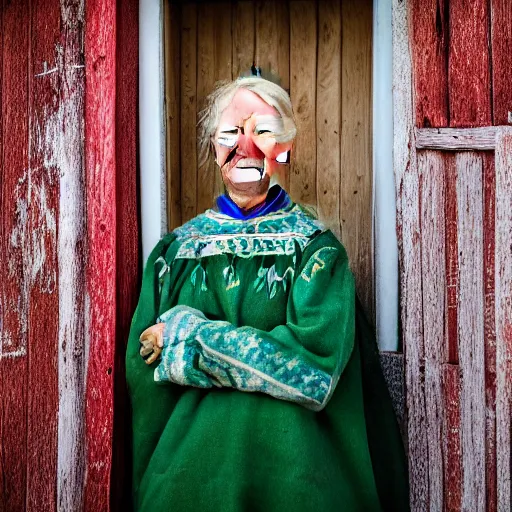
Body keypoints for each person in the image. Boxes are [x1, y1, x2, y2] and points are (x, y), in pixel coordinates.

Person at [126, 75, 408, 511]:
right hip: (191, 483)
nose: (246, 146)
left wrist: (192, 339)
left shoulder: (316, 251)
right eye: (231, 132)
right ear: (213, 146)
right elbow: (144, 377)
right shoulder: (173, 255)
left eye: (263, 131)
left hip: (295, 479)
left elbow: (313, 371)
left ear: (285, 148)